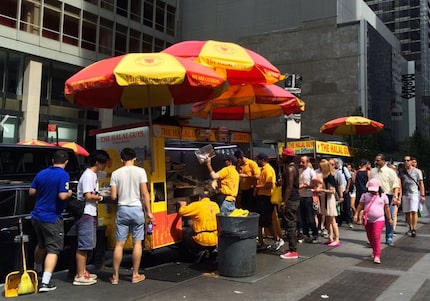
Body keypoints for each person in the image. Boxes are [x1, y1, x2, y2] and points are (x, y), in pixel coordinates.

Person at [30, 150, 73, 292]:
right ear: (66, 162)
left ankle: (36, 272)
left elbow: (31, 192)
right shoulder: (63, 175)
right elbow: (62, 196)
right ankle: (45, 282)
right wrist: (69, 193)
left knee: (41, 244)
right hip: (52, 217)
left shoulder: (41, 173)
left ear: (53, 160)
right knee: (53, 249)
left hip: (37, 215)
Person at [110, 148, 153, 285]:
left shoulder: (115, 174)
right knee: (137, 243)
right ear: (135, 158)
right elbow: (145, 193)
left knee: (119, 244)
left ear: (122, 159)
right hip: (137, 210)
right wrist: (149, 212)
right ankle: (135, 275)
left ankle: (115, 277)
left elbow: (113, 196)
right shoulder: (140, 172)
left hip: (122, 209)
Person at [73, 150, 110, 286]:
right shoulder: (88, 175)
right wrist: (101, 197)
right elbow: (88, 196)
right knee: (84, 245)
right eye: (104, 163)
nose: (105, 165)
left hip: (90, 213)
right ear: (97, 162)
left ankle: (83, 271)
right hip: (85, 213)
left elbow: (107, 175)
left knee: (88, 244)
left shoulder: (94, 174)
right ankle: (79, 275)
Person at [353, 178, 393, 264]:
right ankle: (375, 249)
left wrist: (389, 218)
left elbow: (387, 208)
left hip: (379, 219)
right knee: (370, 236)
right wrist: (356, 214)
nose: (373, 192)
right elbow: (360, 205)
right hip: (368, 219)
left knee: (376, 235)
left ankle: (377, 255)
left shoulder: (383, 196)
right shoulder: (365, 196)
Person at [178, 190, 220, 263]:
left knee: (186, 235)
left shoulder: (197, 205)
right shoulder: (215, 205)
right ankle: (211, 250)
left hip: (202, 239)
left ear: (199, 198)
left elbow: (182, 212)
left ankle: (198, 252)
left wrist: (183, 205)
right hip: (215, 238)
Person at [254, 153, 284, 251]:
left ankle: (277, 239)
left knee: (266, 221)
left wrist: (257, 187)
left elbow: (269, 184)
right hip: (262, 197)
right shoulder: (263, 169)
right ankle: (261, 242)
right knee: (260, 221)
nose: (256, 161)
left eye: (258, 159)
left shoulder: (268, 169)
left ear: (262, 159)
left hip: (267, 198)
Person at [370, 153, 400, 246]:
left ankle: (389, 237)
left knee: (389, 216)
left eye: (378, 160)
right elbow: (370, 183)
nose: (376, 162)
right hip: (375, 196)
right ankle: (374, 238)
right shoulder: (373, 171)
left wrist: (395, 197)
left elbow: (395, 185)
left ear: (383, 161)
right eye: (376, 160)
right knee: (374, 217)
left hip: (388, 196)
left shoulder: (390, 172)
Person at [279, 148, 301, 259]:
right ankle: (292, 247)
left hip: (291, 199)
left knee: (290, 224)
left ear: (287, 157)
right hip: (294, 198)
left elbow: (289, 186)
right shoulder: (294, 168)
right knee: (291, 223)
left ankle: (293, 251)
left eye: (283, 156)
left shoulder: (290, 169)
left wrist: (284, 201)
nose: (281, 158)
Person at [398, 155, 425, 237]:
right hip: (405, 194)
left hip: (414, 193)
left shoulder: (417, 171)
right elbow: (400, 183)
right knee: (407, 212)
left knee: (414, 211)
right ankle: (410, 227)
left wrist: (422, 195)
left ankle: (413, 228)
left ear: (411, 161)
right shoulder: (401, 171)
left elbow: (421, 183)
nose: (406, 162)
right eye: (405, 160)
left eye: (408, 160)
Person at [318, 159, 340, 247]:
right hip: (326, 198)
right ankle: (330, 238)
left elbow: (332, 191)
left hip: (329, 199)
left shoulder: (330, 176)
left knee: (332, 220)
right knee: (328, 219)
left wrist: (321, 190)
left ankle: (337, 238)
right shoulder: (326, 176)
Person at [298, 155, 320, 244]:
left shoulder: (311, 172)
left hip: (308, 197)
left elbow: (315, 184)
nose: (301, 164)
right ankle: (306, 234)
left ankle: (315, 235)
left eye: (303, 162)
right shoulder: (299, 171)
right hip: (300, 197)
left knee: (310, 217)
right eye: (300, 162)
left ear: (307, 162)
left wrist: (307, 186)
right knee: (302, 218)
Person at [334, 158, 353, 228]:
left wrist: (347, 188)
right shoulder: (333, 171)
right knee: (338, 207)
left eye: (335, 163)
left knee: (347, 206)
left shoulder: (343, 169)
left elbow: (349, 179)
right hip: (337, 192)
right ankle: (339, 221)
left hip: (345, 190)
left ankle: (349, 221)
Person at [354, 159, 370, 223]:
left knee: (359, 204)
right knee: (365, 205)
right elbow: (369, 181)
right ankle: (362, 218)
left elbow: (354, 180)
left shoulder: (357, 172)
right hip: (365, 190)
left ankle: (358, 218)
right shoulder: (368, 172)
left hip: (358, 190)